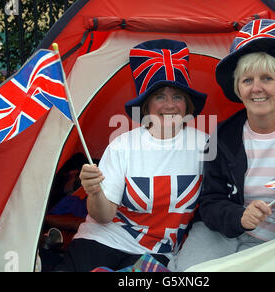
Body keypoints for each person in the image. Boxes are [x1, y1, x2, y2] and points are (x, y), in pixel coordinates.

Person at [167, 19, 275, 271]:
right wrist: (240, 217)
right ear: (238, 88)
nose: (256, 88)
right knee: (190, 274)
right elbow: (211, 201)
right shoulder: (224, 135)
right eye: (247, 80)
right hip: (221, 233)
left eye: (267, 78)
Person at [56, 39, 208, 272]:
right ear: (146, 105)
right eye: (160, 96)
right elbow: (104, 216)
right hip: (102, 241)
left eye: (177, 96)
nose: (170, 105)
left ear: (187, 104)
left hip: (156, 253)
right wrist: (94, 191)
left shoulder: (205, 146)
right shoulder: (122, 146)